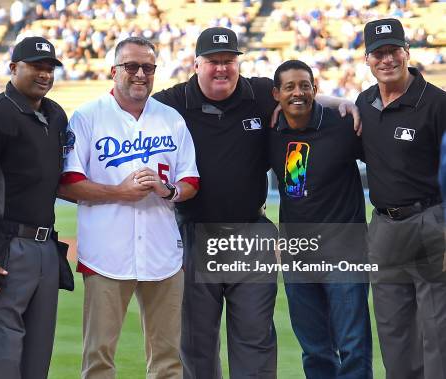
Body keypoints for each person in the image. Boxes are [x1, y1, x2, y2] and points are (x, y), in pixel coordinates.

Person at [152, 26, 360, 379]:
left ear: (238, 63)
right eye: (213, 61)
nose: (222, 68)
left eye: (229, 61)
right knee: (196, 343)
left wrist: (346, 104)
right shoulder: (170, 103)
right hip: (194, 233)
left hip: (251, 232)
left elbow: (302, 97)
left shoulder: (260, 92)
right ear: (196, 63)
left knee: (255, 341)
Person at [59, 36, 199, 379]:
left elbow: (191, 182)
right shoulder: (87, 117)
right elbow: (67, 183)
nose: (140, 74)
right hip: (106, 252)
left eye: (148, 68)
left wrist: (168, 191)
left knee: (167, 360)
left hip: (162, 251)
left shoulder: (171, 119)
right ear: (113, 71)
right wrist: (119, 192)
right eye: (131, 66)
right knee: (99, 358)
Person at [0, 36, 68, 379]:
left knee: (37, 360)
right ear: (13, 68)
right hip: (6, 248)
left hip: (46, 247)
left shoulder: (55, 114)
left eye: (50, 68)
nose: (44, 74)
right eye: (36, 66)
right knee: (0, 361)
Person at [268, 60, 372, 378]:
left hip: (346, 255)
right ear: (276, 94)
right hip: (299, 257)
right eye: (289, 87)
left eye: (305, 85)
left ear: (316, 89)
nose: (298, 92)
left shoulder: (343, 126)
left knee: (353, 346)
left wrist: (346, 104)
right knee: (314, 351)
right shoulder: (271, 134)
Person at [356, 18, 446, 379]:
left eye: (393, 50)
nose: (387, 59)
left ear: (407, 52)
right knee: (392, 330)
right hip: (384, 226)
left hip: (431, 221)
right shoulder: (364, 101)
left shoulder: (437, 102)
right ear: (367, 59)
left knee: (437, 330)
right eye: (379, 53)